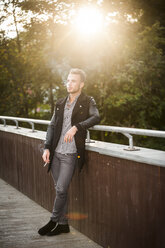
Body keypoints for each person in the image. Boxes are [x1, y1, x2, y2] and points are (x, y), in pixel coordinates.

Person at [38, 68, 100, 236]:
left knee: (61, 189)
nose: (69, 83)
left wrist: (76, 127)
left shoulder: (87, 101)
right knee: (60, 189)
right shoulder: (60, 103)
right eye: (68, 80)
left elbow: (96, 117)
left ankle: (53, 220)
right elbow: (51, 126)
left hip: (71, 154)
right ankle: (63, 224)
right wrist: (46, 148)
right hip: (55, 153)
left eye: (73, 81)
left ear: (81, 84)